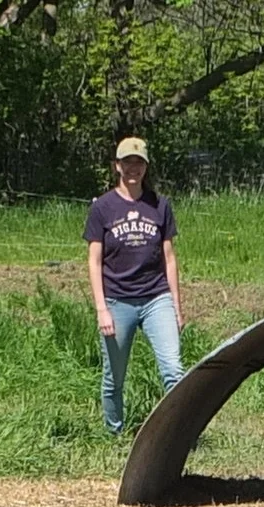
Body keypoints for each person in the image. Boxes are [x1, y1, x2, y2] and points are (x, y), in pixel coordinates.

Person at [83, 137, 183, 436]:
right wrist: (101, 309)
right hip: (117, 301)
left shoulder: (160, 205)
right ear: (117, 166)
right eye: (127, 162)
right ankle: (114, 433)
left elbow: (169, 258)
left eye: (139, 163)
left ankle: (178, 435)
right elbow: (94, 261)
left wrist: (176, 307)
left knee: (174, 371)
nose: (133, 169)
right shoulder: (103, 207)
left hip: (156, 298)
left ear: (146, 167)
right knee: (114, 377)